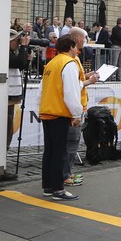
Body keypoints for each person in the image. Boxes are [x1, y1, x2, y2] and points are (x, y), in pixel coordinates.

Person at [38, 36, 86, 201]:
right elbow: (71, 92)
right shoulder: (69, 63)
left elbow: (42, 89)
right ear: (71, 47)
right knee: (59, 152)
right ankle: (58, 189)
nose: (77, 50)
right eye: (76, 47)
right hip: (59, 112)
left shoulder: (52, 63)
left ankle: (48, 186)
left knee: (50, 151)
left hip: (47, 110)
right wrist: (76, 113)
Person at [62, 27, 100, 187]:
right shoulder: (69, 60)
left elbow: (77, 79)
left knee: (71, 144)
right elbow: (72, 86)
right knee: (70, 144)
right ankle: (65, 175)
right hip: (73, 109)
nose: (85, 41)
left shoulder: (73, 58)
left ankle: (67, 173)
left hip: (78, 105)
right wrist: (88, 81)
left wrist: (87, 76)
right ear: (77, 39)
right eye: (84, 38)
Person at [6, 27, 32, 152]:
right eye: (17, 41)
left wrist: (27, 60)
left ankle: (3, 154)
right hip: (6, 97)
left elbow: (19, 67)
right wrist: (24, 47)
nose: (18, 44)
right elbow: (18, 63)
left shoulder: (11, 54)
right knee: (6, 130)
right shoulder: (4, 53)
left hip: (10, 97)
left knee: (8, 129)